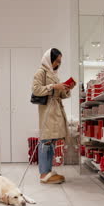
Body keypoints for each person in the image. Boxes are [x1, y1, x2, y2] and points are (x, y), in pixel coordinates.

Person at [31, 48, 75, 184]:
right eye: (56, 61)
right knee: (46, 141)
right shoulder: (41, 72)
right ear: (49, 60)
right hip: (47, 110)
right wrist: (53, 86)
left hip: (56, 110)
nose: (58, 64)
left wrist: (66, 89)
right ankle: (44, 174)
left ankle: (48, 171)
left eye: (59, 62)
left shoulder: (54, 74)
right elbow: (36, 89)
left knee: (52, 141)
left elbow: (60, 94)